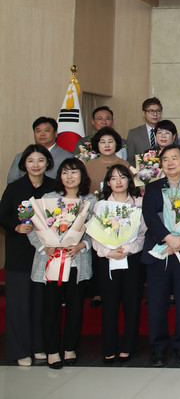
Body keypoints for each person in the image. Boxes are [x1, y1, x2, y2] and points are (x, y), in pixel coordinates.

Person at [28, 158, 97, 369]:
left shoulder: (90, 201)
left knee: (75, 308)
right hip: (51, 262)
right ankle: (52, 351)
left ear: (82, 176)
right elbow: (34, 228)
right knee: (51, 308)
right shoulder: (48, 198)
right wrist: (45, 247)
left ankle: (69, 348)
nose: (69, 177)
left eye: (74, 172)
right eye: (65, 172)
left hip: (77, 261)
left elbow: (96, 231)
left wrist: (82, 245)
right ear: (60, 176)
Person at [141, 145, 180, 366]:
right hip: (159, 252)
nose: (170, 163)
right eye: (165, 159)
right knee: (157, 302)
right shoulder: (153, 188)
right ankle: (158, 348)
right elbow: (150, 216)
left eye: (174, 158)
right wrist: (168, 238)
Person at [0, 145, 55, 366]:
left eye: (40, 160)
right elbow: (2, 216)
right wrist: (15, 227)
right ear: (24, 164)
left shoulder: (53, 187)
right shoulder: (15, 188)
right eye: (31, 161)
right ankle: (20, 350)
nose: (36, 165)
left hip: (46, 254)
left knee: (41, 303)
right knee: (19, 304)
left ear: (47, 162)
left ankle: (39, 346)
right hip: (20, 255)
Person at [92, 164, 147, 364]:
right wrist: (108, 252)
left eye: (122, 177)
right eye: (113, 178)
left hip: (131, 258)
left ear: (129, 180)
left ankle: (128, 346)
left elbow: (143, 233)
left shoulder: (139, 203)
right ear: (108, 183)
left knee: (132, 304)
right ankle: (109, 347)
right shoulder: (100, 205)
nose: (118, 181)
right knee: (109, 304)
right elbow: (95, 235)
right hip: (107, 259)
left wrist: (129, 248)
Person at [7, 116, 71, 183]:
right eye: (38, 131)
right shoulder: (20, 156)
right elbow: (11, 181)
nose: (42, 134)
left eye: (47, 131)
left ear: (55, 134)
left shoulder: (66, 157)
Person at [84, 127, 131, 194]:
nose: (107, 145)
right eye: (103, 142)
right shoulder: (89, 165)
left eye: (110, 142)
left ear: (116, 143)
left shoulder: (125, 164)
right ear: (97, 144)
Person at [126, 97, 163, 165]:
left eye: (158, 111)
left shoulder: (169, 132)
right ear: (143, 113)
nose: (155, 114)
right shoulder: (133, 134)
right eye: (151, 111)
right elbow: (130, 159)